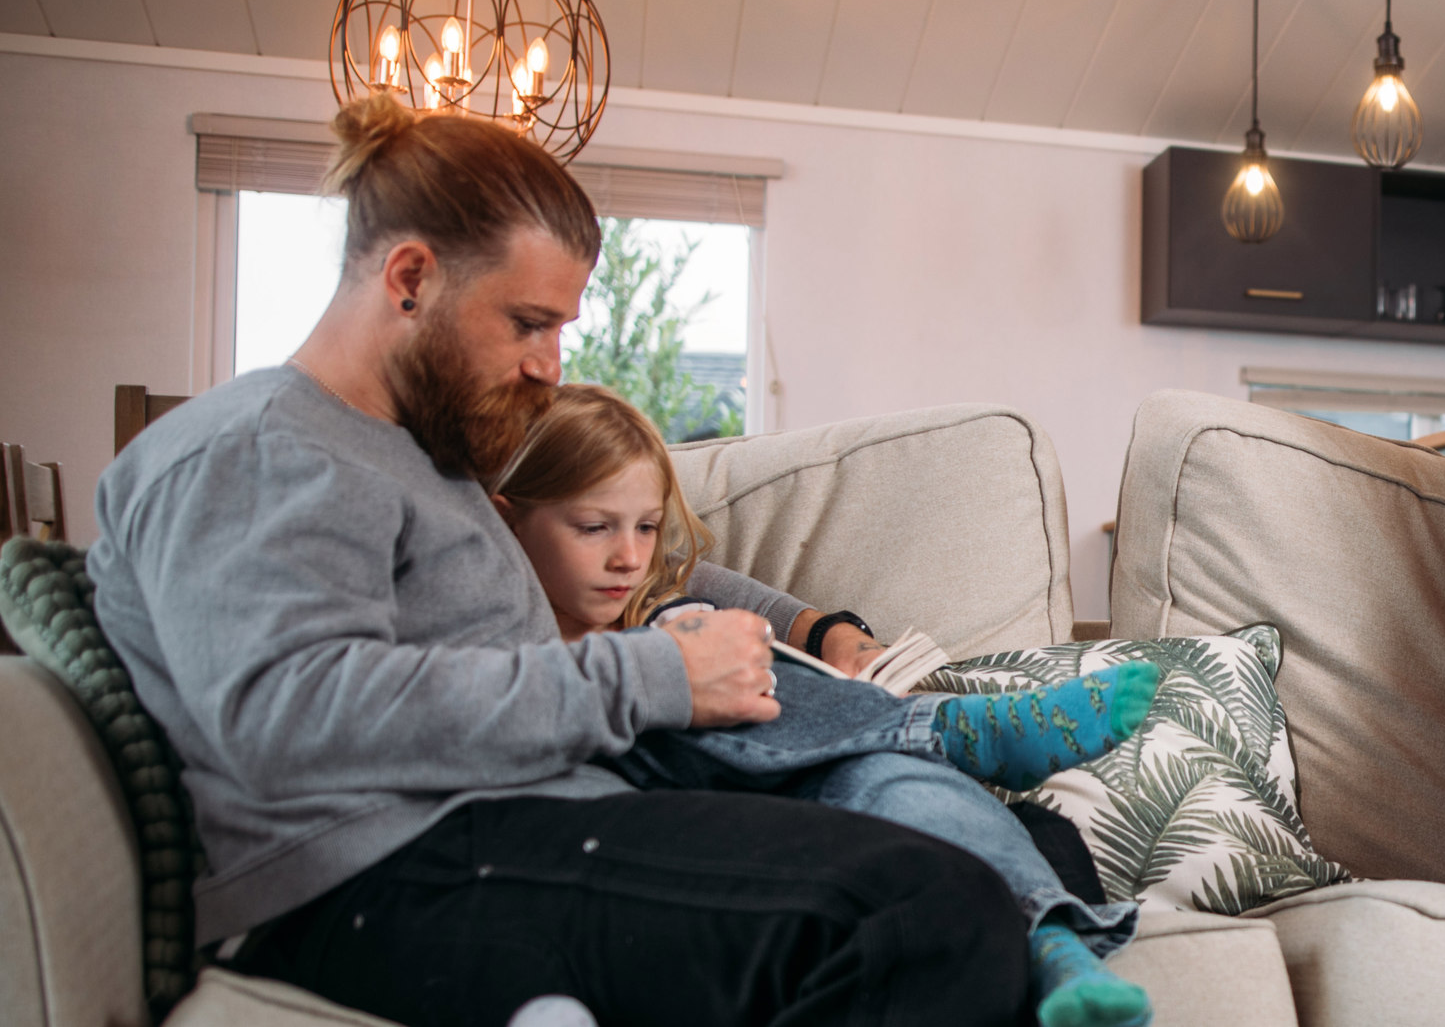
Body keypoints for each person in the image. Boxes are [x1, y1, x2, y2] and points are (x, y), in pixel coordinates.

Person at [87, 95, 1031, 1026]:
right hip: (374, 876)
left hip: (516, 823)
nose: (552, 361)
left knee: (989, 862)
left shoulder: (423, 455)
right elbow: (282, 713)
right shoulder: (258, 448)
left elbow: (639, 572)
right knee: (925, 916)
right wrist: (652, 673)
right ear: (410, 277)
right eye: (529, 322)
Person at [493, 383, 1159, 1027]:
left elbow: (740, 599)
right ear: (506, 518)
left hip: (813, 781)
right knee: (691, 657)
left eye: (646, 527)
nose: (629, 557)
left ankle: (1059, 948)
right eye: (593, 528)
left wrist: (836, 637)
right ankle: (950, 730)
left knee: (910, 784)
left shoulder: (658, 588)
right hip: (699, 821)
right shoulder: (497, 643)